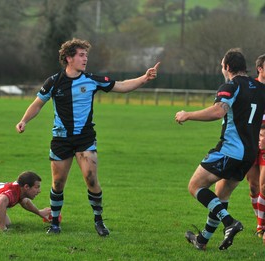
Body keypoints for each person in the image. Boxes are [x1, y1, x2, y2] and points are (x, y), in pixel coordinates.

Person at [15, 38, 160, 236]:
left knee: (91, 179)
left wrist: (144, 78)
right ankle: (55, 223)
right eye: (81, 55)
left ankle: (99, 221)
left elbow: (122, 85)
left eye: (86, 55)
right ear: (69, 58)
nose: (85, 59)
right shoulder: (54, 81)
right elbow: (37, 103)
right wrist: (24, 120)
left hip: (85, 139)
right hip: (61, 139)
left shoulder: (91, 80)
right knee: (57, 184)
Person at [175, 48, 265, 250]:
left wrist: (187, 114)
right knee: (221, 195)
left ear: (227, 67)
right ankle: (202, 240)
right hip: (249, 154)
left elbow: (218, 111)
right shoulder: (260, 88)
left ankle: (230, 223)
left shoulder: (231, 86)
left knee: (195, 186)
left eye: (221, 65)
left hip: (230, 150)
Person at [245, 54, 265, 242]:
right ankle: (259, 222)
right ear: (260, 68)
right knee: (253, 187)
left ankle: (261, 226)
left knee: (264, 186)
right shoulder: (250, 87)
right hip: (250, 141)